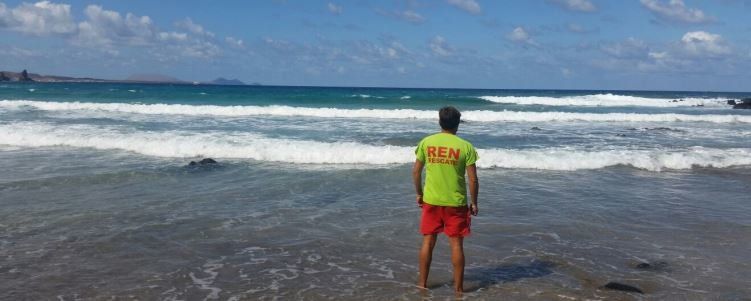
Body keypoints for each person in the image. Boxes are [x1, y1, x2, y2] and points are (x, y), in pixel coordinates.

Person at [412, 106, 479, 293]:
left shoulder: (427, 142)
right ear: (457, 124)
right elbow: (473, 179)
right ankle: (458, 290)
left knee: (428, 242)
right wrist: (474, 202)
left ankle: (422, 284)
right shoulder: (465, 146)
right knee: (456, 244)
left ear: (440, 122)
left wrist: (419, 194)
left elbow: (416, 171)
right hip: (455, 203)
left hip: (431, 200)